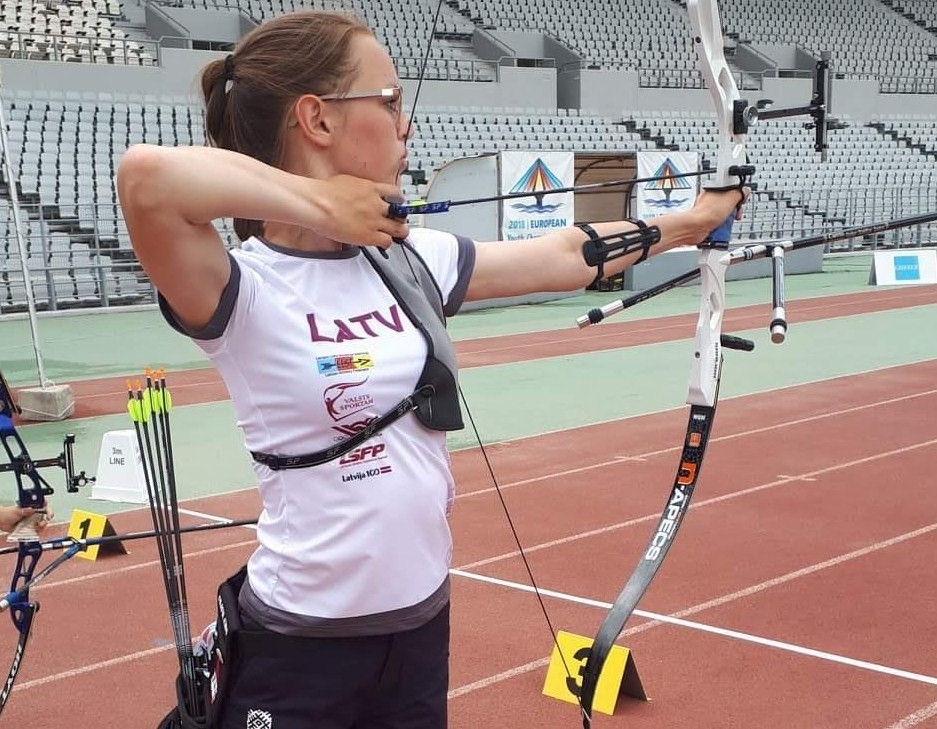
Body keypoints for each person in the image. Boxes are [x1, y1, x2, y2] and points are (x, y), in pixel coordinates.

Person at [116, 9, 746, 729]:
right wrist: (322, 203)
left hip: (418, 632)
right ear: (316, 120)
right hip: (297, 647)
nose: (405, 122)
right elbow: (146, 180)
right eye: (388, 101)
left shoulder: (410, 260)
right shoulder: (241, 287)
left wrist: (692, 222)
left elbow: (566, 255)